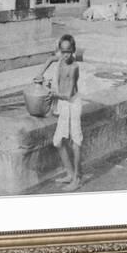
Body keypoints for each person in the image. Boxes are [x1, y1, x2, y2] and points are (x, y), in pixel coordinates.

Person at [38, 34, 83, 191]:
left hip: (73, 103)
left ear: (73, 50)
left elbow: (69, 94)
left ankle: (77, 179)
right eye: (63, 51)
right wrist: (40, 73)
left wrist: (54, 94)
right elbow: (50, 59)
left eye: (69, 51)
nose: (65, 55)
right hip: (64, 104)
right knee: (58, 141)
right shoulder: (60, 58)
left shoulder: (74, 67)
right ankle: (70, 174)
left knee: (75, 141)